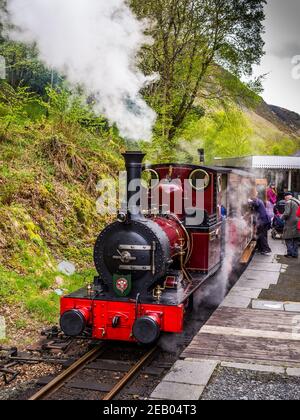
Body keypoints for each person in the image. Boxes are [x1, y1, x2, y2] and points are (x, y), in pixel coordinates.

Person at [282, 192, 300, 258]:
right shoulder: (298, 201)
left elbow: (286, 213)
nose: (285, 199)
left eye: (285, 197)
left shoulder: (288, 202)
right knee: (296, 238)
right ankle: (295, 254)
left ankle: (290, 253)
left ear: (286, 197)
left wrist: (281, 218)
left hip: (290, 223)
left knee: (287, 238)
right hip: (298, 222)